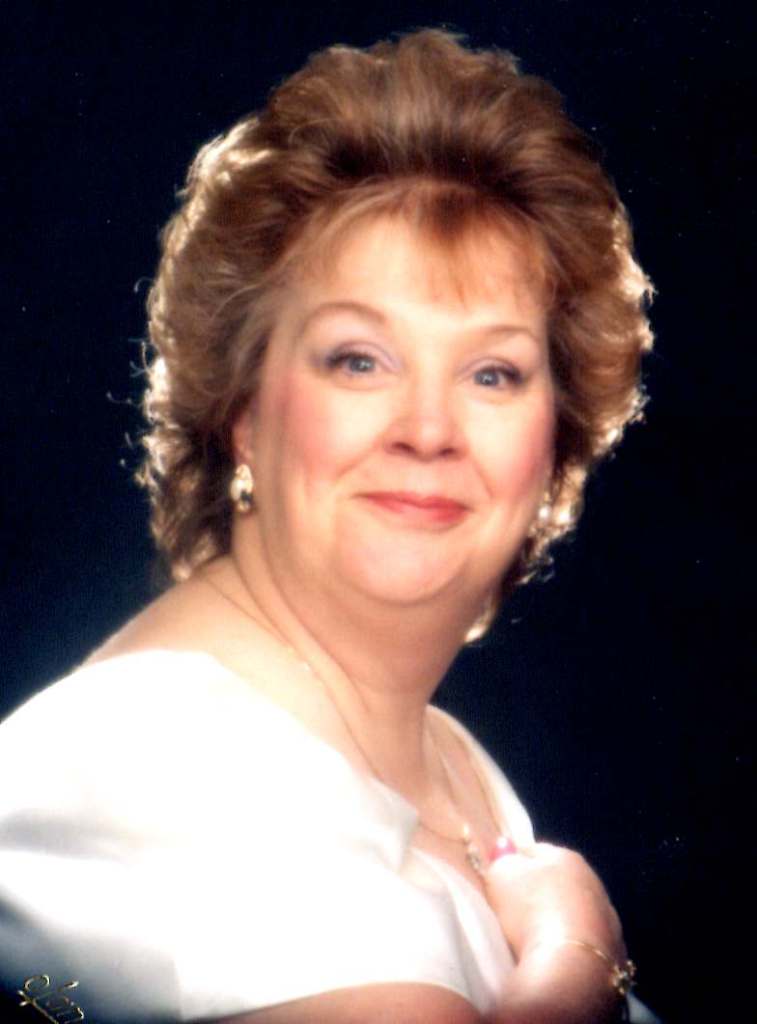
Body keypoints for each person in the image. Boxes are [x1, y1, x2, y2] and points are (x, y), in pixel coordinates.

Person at [0, 29, 657, 1024]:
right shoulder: (154, 767)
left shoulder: (447, 760)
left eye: (492, 373)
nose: (428, 429)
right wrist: (578, 952)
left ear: (555, 440)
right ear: (242, 409)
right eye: (358, 360)